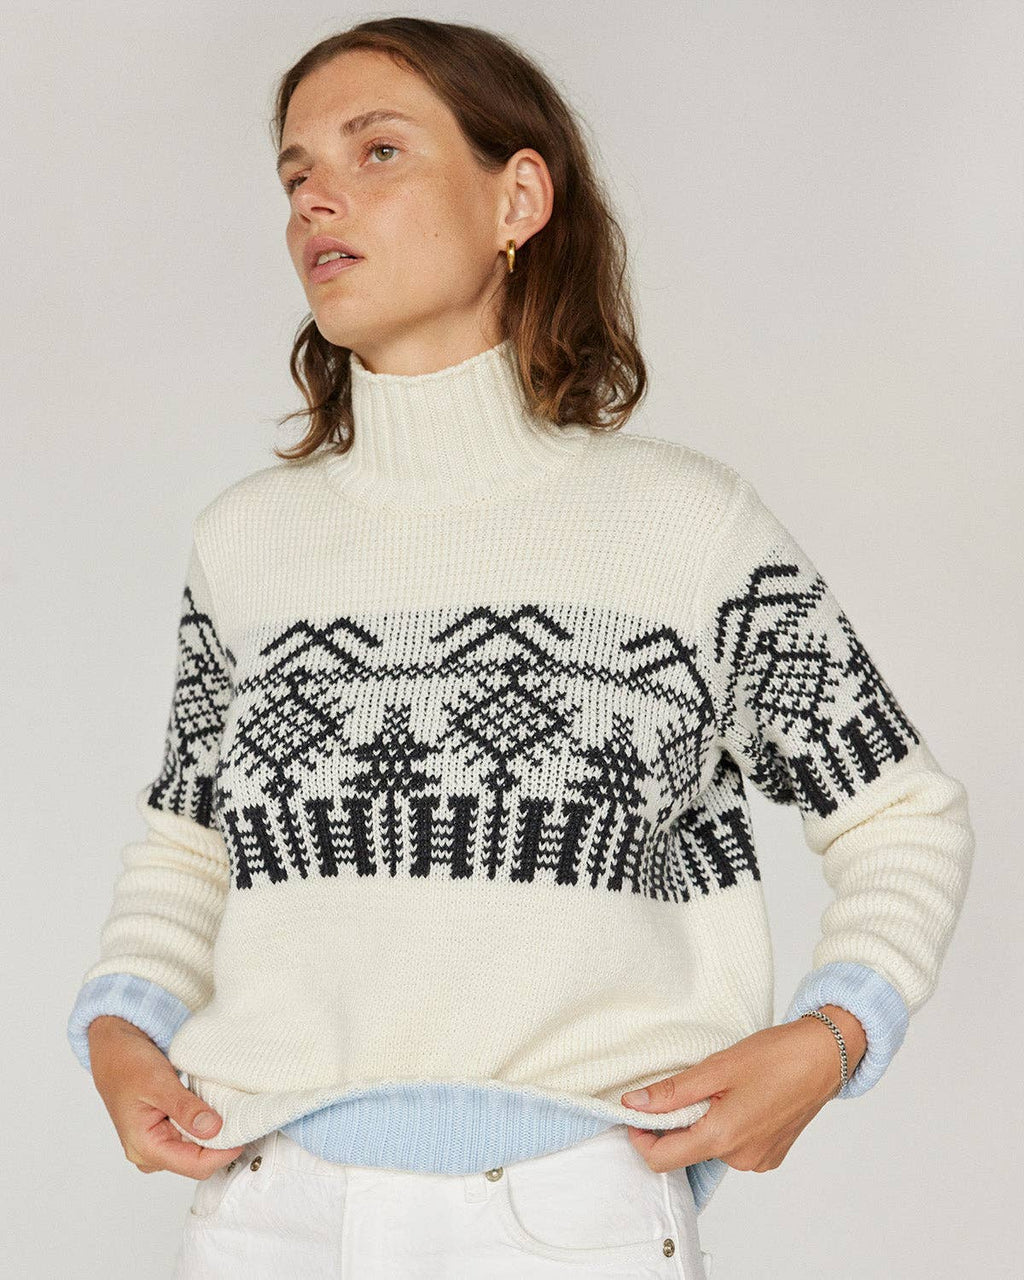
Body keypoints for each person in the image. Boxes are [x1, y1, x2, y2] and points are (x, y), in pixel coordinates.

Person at [67, 17, 975, 1279]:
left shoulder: (685, 528)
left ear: (518, 198)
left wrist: (833, 1036)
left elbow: (900, 813)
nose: (316, 198)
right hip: (267, 1214)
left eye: (377, 150)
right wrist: (119, 1026)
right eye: (295, 173)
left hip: (567, 1217)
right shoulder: (246, 545)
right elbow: (189, 842)